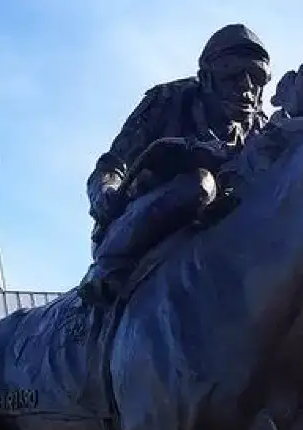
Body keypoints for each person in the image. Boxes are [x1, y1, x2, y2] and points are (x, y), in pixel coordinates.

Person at [78, 23, 273, 304]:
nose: (246, 87)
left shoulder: (260, 130)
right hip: (143, 219)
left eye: (256, 77)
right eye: (233, 74)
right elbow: (112, 164)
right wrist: (105, 191)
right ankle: (108, 267)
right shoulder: (167, 100)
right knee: (199, 184)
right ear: (207, 78)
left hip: (221, 225)